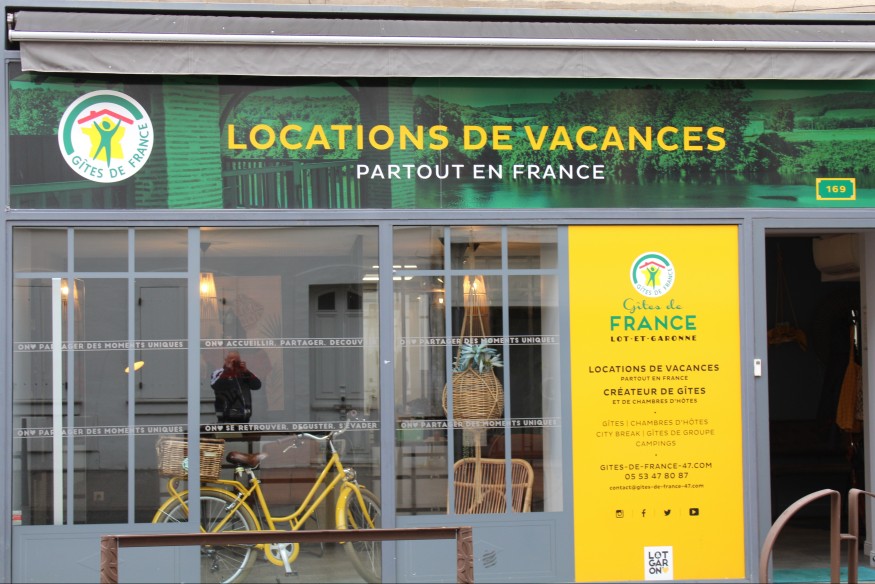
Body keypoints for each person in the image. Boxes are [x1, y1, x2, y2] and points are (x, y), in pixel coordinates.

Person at [210, 351, 261, 423]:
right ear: (225, 360)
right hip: (226, 417)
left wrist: (246, 371)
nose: (233, 362)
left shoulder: (243, 373)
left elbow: (257, 385)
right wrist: (229, 370)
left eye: (237, 360)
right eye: (231, 359)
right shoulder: (219, 372)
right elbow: (216, 386)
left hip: (244, 417)